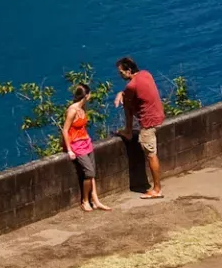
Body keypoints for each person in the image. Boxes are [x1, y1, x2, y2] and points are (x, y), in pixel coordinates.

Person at [112, 56, 165, 199]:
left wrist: (128, 129)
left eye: (121, 72)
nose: (120, 75)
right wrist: (121, 94)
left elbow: (128, 107)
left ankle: (157, 189)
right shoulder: (146, 74)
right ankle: (157, 187)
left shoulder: (131, 86)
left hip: (148, 123)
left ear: (128, 71)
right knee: (151, 153)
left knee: (151, 155)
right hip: (159, 117)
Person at [62, 83, 108, 212]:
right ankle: (85, 200)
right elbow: (65, 130)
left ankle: (96, 200)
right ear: (86, 95)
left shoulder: (83, 108)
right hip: (77, 145)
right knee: (89, 172)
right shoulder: (72, 111)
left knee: (92, 172)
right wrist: (70, 150)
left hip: (86, 142)